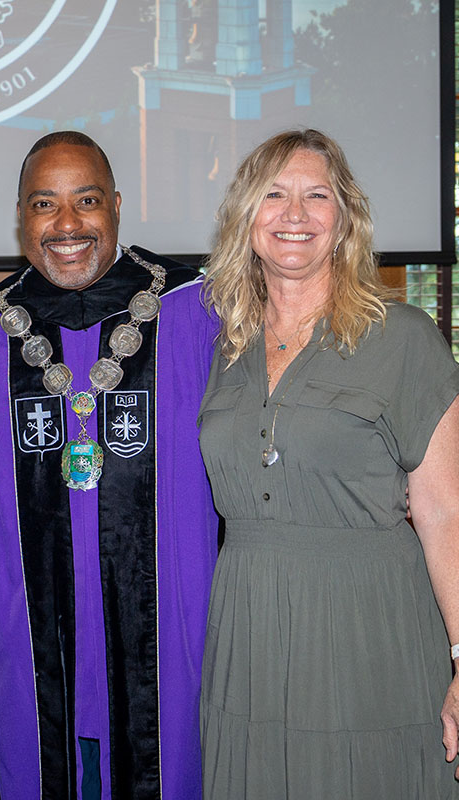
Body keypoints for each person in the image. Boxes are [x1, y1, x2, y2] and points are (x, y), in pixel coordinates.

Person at [0, 131, 219, 799]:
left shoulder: (200, 311)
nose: (67, 224)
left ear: (117, 206)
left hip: (170, 638)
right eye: (45, 204)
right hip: (34, 635)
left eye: (87, 201)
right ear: (21, 216)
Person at [197, 128, 459, 798]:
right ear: (246, 216)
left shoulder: (403, 339)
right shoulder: (217, 345)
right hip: (249, 631)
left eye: (317, 196)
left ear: (345, 220)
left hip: (368, 629)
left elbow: (444, 512)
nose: (295, 214)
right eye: (274, 194)